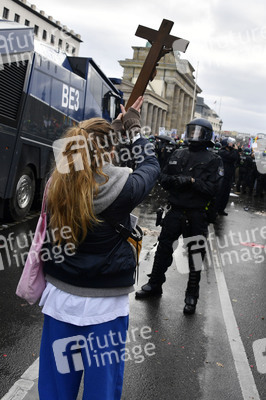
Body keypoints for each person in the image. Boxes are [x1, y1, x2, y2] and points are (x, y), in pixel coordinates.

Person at [38, 96, 160, 400]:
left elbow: (85, 156)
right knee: (101, 390)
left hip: (60, 298)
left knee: (55, 388)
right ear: (108, 151)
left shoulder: (57, 181)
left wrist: (112, 129)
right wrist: (133, 127)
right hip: (105, 305)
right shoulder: (123, 188)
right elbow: (151, 164)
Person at [135, 118, 224, 315]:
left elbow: (213, 189)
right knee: (163, 249)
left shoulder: (213, 159)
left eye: (199, 132)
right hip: (175, 210)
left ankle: (192, 295)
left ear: (207, 135)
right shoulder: (178, 153)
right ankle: (154, 284)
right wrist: (177, 181)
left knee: (195, 257)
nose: (194, 135)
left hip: (196, 214)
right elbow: (163, 178)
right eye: (192, 131)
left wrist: (192, 181)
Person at [215, 137, 239, 216]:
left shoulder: (232, 152)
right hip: (222, 177)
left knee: (225, 195)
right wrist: (235, 150)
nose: (232, 145)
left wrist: (235, 151)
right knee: (219, 194)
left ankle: (221, 209)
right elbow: (233, 157)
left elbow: (237, 158)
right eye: (230, 143)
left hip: (229, 177)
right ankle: (215, 210)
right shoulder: (222, 152)